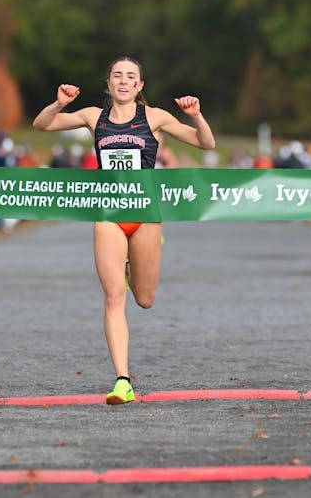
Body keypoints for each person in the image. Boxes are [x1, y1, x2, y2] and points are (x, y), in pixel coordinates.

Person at [33, 56, 216, 405]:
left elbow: (206, 144)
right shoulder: (92, 117)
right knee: (114, 296)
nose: (124, 81)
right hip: (109, 213)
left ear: (139, 86)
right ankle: (122, 380)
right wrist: (58, 102)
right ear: (109, 83)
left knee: (144, 300)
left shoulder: (156, 118)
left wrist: (195, 115)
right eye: (117, 75)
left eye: (131, 76)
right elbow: (42, 125)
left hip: (146, 216)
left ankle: (135, 263)